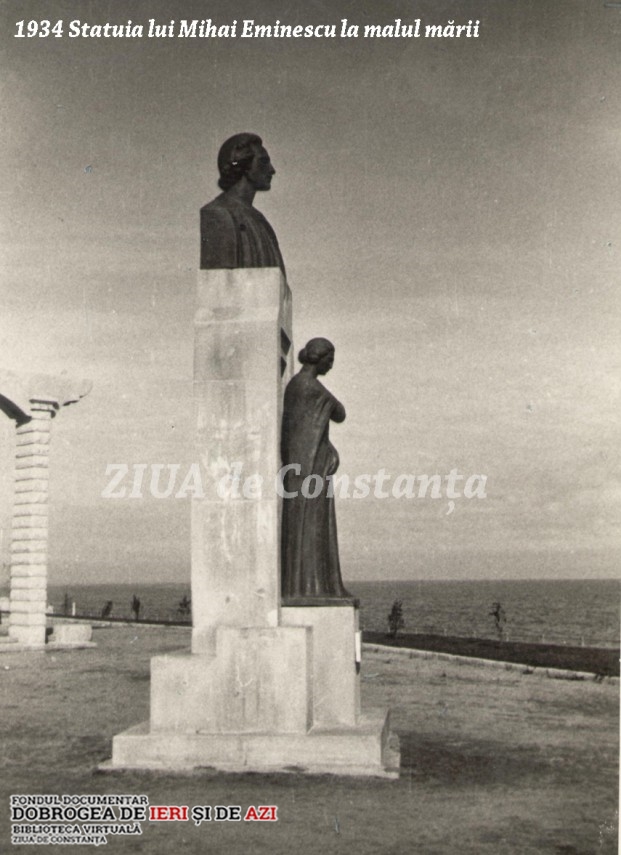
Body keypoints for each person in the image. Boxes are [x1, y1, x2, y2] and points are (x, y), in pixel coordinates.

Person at [280, 338, 351, 600]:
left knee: (312, 526)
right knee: (310, 526)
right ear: (318, 358)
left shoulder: (297, 386)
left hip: (308, 468)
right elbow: (340, 412)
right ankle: (310, 587)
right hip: (307, 471)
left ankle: (314, 585)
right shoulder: (309, 387)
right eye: (329, 361)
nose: (330, 366)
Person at [200, 133, 285, 273]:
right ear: (243, 164)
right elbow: (222, 283)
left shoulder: (261, 222)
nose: (272, 170)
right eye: (263, 161)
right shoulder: (218, 213)